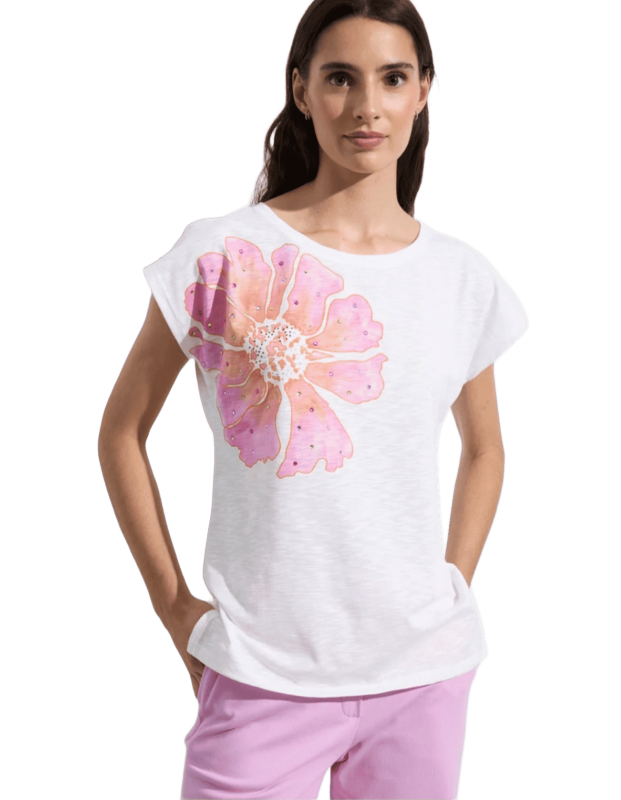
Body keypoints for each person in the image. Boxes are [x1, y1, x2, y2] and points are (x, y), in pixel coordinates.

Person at [97, 1, 529, 798]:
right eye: (339, 78)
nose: (367, 107)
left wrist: (453, 584)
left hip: (423, 678)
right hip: (259, 672)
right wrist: (172, 604)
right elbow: (122, 430)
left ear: (424, 89)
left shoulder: (461, 278)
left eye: (392, 79)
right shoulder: (224, 253)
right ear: (300, 89)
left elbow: (485, 448)